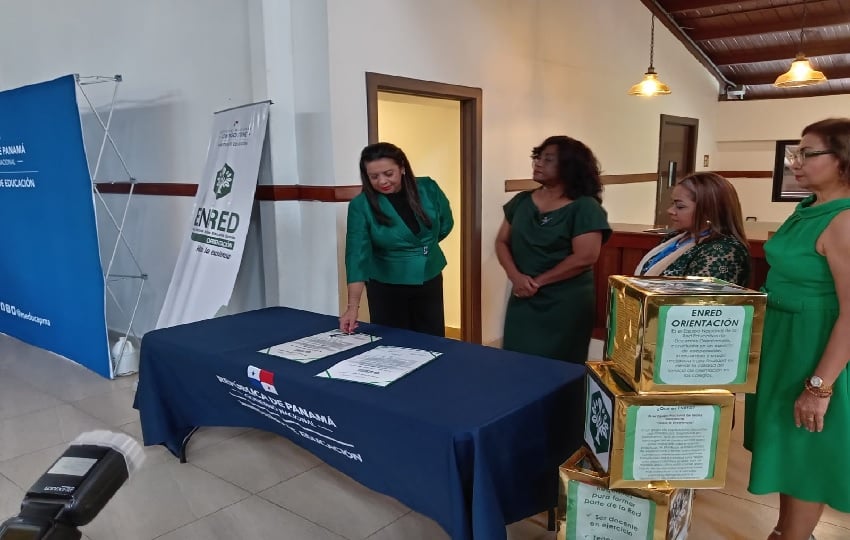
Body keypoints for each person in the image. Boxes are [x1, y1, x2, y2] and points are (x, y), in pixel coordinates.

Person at [744, 118, 850, 540]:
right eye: (795, 153)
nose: (795, 163)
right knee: (789, 446)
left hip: (817, 344)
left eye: (807, 154)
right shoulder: (807, 208)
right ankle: (787, 532)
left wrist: (820, 386)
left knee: (808, 450)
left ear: (843, 160)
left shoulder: (844, 221)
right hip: (783, 341)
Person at [495, 135, 611, 364]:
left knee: (559, 364)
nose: (537, 163)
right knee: (516, 358)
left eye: (548, 159)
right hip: (523, 296)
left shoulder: (585, 207)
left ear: (569, 166)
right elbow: (501, 242)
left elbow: (585, 257)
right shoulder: (521, 201)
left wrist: (538, 283)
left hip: (565, 301)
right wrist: (516, 277)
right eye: (537, 157)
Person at [340, 142, 454, 337]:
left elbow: (445, 224)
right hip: (387, 285)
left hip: (430, 277)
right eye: (374, 177)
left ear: (402, 168)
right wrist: (352, 307)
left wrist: (419, 252)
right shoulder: (361, 205)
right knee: (394, 346)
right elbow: (356, 257)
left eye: (388, 173)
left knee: (432, 341)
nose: (382, 181)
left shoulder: (428, 187)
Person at [634, 172, 751, 286]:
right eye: (672, 204)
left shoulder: (723, 250)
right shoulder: (676, 237)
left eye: (680, 206)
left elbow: (701, 301)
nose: (670, 211)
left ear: (708, 211)